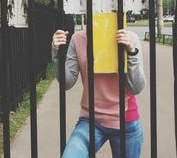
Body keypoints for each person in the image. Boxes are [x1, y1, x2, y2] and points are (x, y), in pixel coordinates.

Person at [51, 28, 146, 158]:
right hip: (90, 120)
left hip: (126, 122)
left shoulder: (130, 38)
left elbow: (136, 88)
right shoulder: (78, 39)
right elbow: (67, 82)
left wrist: (132, 52)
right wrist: (57, 54)